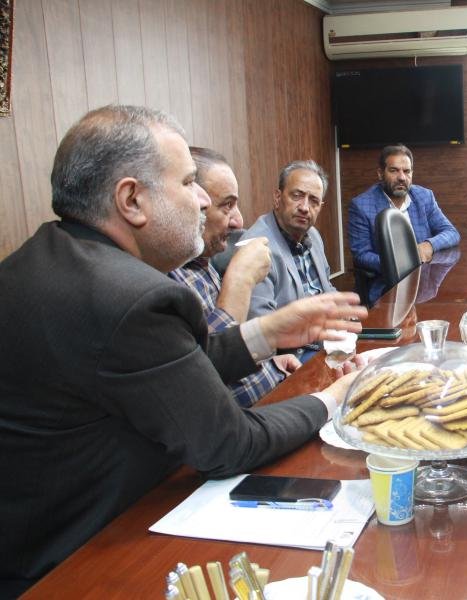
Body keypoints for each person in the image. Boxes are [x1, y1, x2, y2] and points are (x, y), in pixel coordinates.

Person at [0, 105, 366, 594]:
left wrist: (268, 332)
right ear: (132, 200)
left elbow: (175, 368)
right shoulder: (129, 296)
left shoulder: (51, 257)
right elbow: (230, 444)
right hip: (78, 562)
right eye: (190, 182)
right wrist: (337, 397)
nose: (202, 200)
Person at [169, 147, 300, 406]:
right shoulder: (164, 279)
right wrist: (240, 279)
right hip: (251, 417)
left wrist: (271, 365)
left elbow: (226, 347)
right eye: (226, 205)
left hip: (277, 388)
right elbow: (201, 378)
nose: (238, 221)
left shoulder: (203, 262)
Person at [348, 144, 460, 305]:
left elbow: (451, 232)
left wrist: (428, 245)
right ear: (380, 173)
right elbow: (361, 255)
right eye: (394, 170)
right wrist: (400, 263)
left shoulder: (424, 197)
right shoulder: (361, 206)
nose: (402, 177)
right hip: (385, 287)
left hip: (423, 284)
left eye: (407, 171)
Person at [243, 160, 337, 319]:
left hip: (327, 328)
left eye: (314, 201)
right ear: (277, 198)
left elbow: (325, 287)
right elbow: (260, 321)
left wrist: (344, 311)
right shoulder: (256, 247)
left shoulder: (313, 235)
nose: (305, 207)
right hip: (293, 334)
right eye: (297, 196)